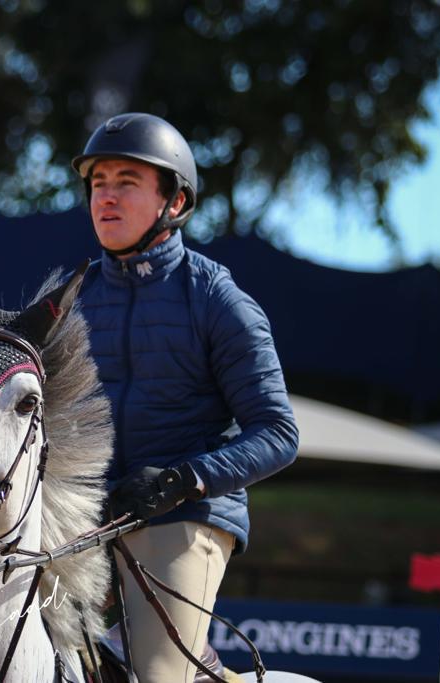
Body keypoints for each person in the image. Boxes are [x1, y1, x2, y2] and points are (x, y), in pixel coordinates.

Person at [72, 112, 299, 682]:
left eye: (127, 182)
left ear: (174, 202)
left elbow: (278, 433)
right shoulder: (69, 299)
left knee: (154, 674)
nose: (107, 196)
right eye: (98, 182)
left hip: (185, 515)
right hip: (84, 518)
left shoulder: (218, 300)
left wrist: (180, 481)